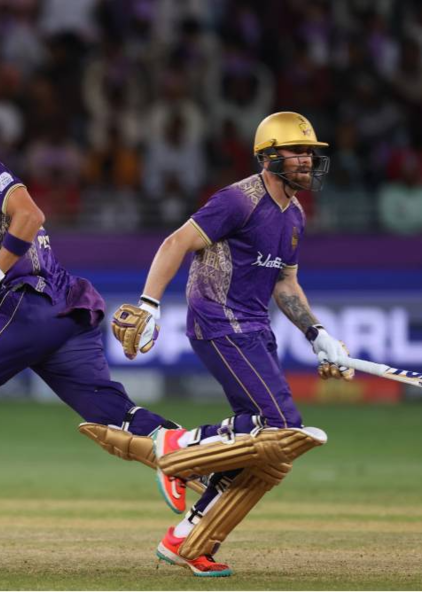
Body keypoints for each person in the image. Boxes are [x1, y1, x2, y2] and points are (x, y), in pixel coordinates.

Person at [0, 110, 207, 552]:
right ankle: (206, 457)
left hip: (32, 305)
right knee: (112, 413)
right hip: (62, 309)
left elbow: (30, 214)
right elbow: (10, 242)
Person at [110, 112, 354, 576]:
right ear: (268, 156)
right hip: (219, 323)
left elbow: (285, 284)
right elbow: (176, 242)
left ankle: (188, 538)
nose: (307, 159)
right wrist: (150, 304)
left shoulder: (295, 215)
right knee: (282, 426)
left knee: (258, 446)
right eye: (297, 151)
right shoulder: (238, 200)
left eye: (310, 152)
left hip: (255, 330)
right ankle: (176, 450)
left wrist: (317, 333)